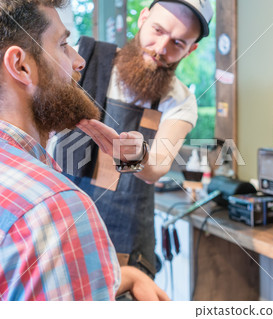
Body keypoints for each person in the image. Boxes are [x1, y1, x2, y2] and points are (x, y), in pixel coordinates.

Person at [0, 0, 168, 301]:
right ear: (21, 66)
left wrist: (125, 275)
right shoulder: (55, 212)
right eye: (63, 44)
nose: (79, 61)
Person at [49, 0, 213, 278]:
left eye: (178, 43)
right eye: (158, 30)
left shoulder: (180, 101)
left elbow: (157, 167)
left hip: (126, 240)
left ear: (191, 49)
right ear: (144, 18)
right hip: (60, 226)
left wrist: (136, 157)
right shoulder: (83, 60)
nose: (161, 48)